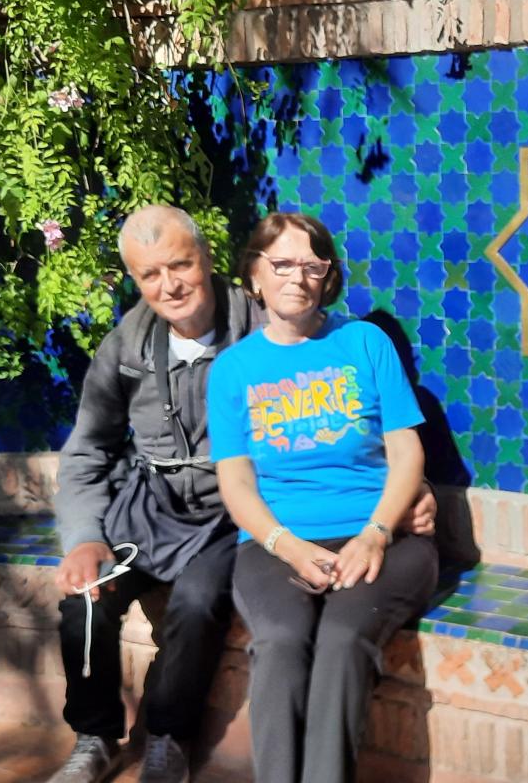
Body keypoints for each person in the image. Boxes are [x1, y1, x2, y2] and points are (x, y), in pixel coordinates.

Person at [48, 205, 436, 783]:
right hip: (161, 511)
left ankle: (170, 736)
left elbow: (376, 431)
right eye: (150, 274)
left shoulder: (270, 320)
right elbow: (87, 451)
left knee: (200, 599)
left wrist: (407, 497)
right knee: (86, 598)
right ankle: (94, 735)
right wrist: (84, 537)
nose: (169, 285)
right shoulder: (128, 348)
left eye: (180, 265)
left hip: (228, 522)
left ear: (209, 261)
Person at [208, 213, 440, 783]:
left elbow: (407, 452)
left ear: (328, 276)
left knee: (342, 638)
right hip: (276, 544)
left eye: (313, 266)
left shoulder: (365, 343)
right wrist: (288, 547)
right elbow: (236, 483)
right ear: (253, 275)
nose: (298, 277)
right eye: (282, 264)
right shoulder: (233, 370)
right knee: (282, 641)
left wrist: (376, 533)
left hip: (385, 536)